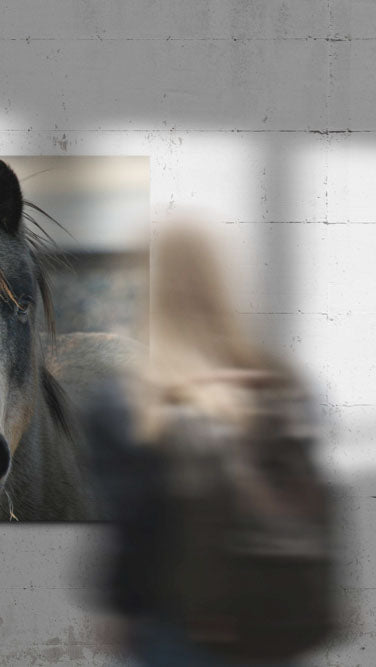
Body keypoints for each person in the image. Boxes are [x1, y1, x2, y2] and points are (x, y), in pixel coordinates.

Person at [85, 220, 337, 666]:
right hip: (277, 624)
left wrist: (119, 608)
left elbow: (133, 532)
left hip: (180, 631)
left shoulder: (131, 400)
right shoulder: (285, 387)